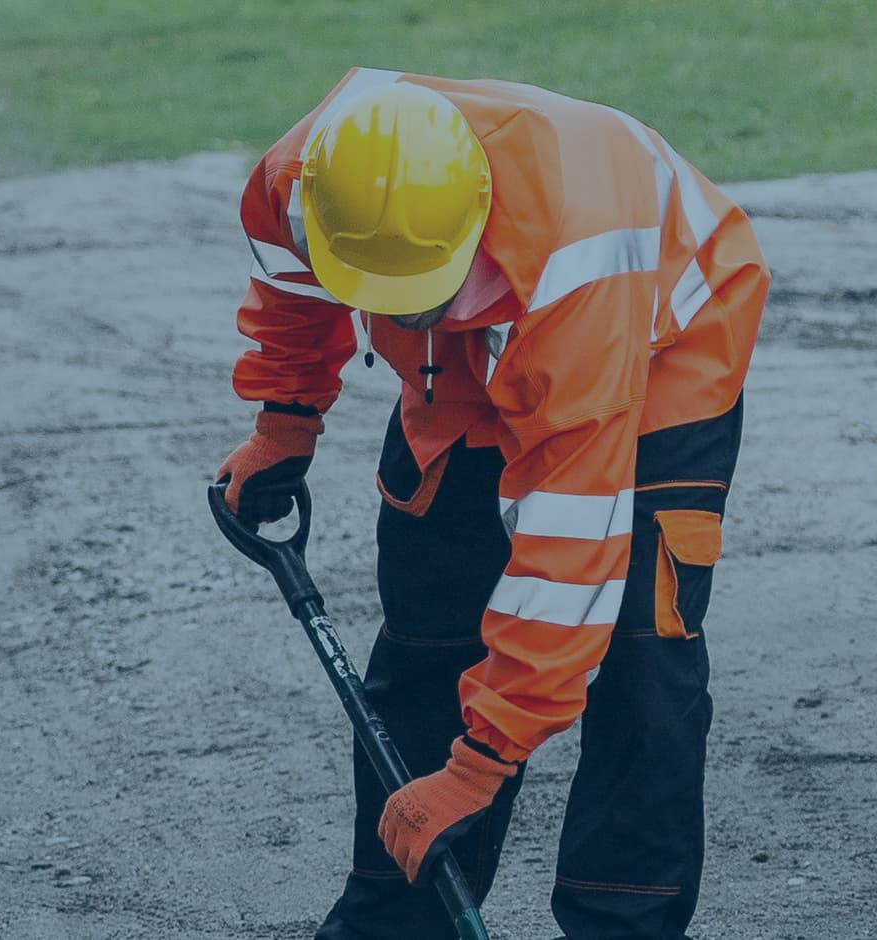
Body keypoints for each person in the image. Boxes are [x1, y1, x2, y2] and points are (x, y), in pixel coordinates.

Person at [215, 67, 768, 940]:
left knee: (639, 648)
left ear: (473, 224)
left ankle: (620, 926)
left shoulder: (582, 251)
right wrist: (285, 419)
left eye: (419, 292)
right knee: (431, 624)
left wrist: (481, 764)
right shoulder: (304, 179)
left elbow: (567, 554)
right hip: (467, 356)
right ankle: (400, 921)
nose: (398, 313)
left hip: (659, 350)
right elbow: (293, 284)